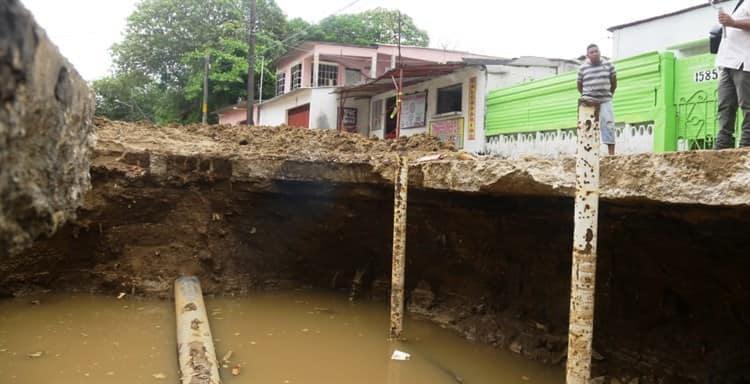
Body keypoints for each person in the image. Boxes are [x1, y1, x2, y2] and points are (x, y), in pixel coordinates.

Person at [714, 0, 750, 149]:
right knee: (725, 104)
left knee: (747, 105)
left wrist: (733, 22)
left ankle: (747, 143)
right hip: (727, 61)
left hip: (744, 61)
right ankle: (722, 143)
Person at [577, 44, 617, 156]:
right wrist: (587, 96)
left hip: (605, 100)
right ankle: (586, 154)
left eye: (596, 51)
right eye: (592, 52)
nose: (595, 54)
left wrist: (608, 94)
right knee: (587, 127)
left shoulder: (609, 65)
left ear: (600, 52)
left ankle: (611, 154)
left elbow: (614, 82)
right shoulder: (583, 68)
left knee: (608, 124)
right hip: (588, 101)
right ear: (588, 55)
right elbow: (579, 85)